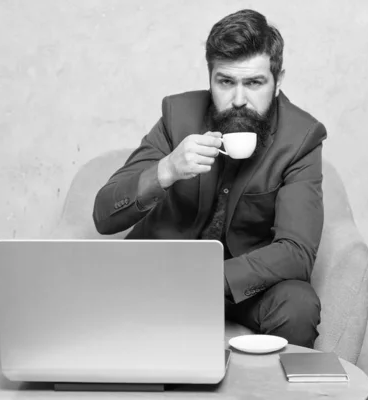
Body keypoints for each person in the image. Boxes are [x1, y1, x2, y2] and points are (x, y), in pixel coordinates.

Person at [92, 9, 327, 349]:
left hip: (244, 287)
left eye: (254, 83)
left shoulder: (301, 138)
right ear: (211, 78)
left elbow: (296, 252)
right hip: (163, 279)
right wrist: (167, 170)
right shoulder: (178, 116)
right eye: (226, 82)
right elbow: (103, 215)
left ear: (278, 82)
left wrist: (209, 279)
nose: (239, 100)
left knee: (298, 303)